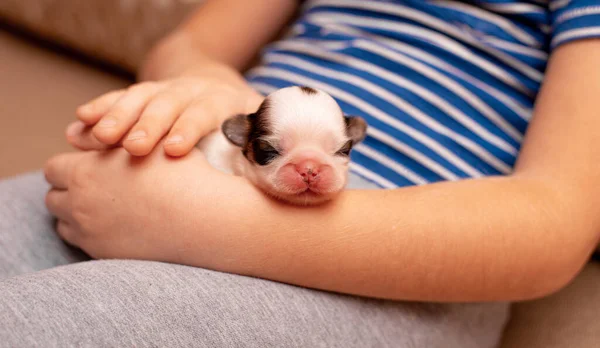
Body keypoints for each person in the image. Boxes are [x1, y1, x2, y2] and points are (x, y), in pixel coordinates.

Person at [1, 0, 599, 346]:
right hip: (218, 161)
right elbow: (186, 45)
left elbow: (558, 223)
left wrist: (204, 223)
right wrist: (210, 85)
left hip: (412, 257)